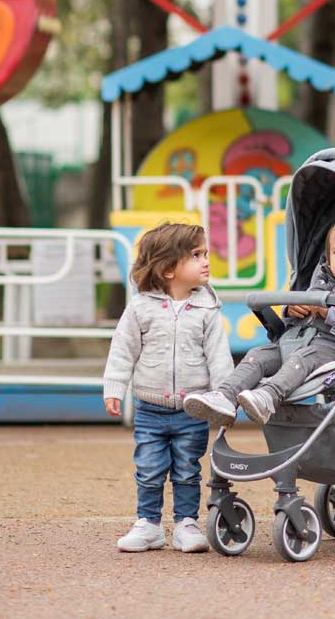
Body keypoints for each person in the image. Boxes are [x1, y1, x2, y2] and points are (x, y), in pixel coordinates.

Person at [184, 212, 335, 426]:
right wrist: (292, 310)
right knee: (259, 354)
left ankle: (269, 395)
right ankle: (225, 396)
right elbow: (295, 320)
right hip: (299, 341)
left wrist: (327, 312)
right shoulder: (321, 283)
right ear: (328, 257)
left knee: (302, 358)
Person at [103, 222, 233, 554]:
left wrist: (225, 397)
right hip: (149, 408)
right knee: (148, 468)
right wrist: (114, 387)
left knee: (188, 470)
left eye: (205, 253)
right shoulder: (139, 307)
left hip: (193, 408)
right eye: (195, 255)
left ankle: (186, 524)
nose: (206, 261)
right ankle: (148, 524)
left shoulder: (207, 309)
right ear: (167, 268)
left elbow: (218, 357)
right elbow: (123, 349)